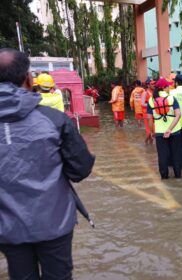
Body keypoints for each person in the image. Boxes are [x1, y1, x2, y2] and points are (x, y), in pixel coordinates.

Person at [0, 48, 95, 279]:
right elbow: (80, 169)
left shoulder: (53, 119)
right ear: (28, 78)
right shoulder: (54, 120)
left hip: (7, 226)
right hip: (54, 223)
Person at [147, 77, 182, 179]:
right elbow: (178, 115)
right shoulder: (172, 98)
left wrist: (152, 132)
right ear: (164, 88)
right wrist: (170, 129)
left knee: (162, 156)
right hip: (174, 132)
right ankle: (178, 176)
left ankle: (164, 177)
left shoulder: (151, 100)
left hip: (159, 132)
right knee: (176, 154)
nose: (169, 87)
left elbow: (149, 119)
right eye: (168, 86)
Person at [142, 78, 154, 144]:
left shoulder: (154, 92)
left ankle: (149, 146)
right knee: (149, 131)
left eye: (154, 84)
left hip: (153, 114)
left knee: (152, 131)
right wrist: (152, 105)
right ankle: (145, 143)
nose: (154, 85)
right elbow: (142, 103)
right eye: (152, 84)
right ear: (148, 85)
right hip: (146, 114)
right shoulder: (145, 93)